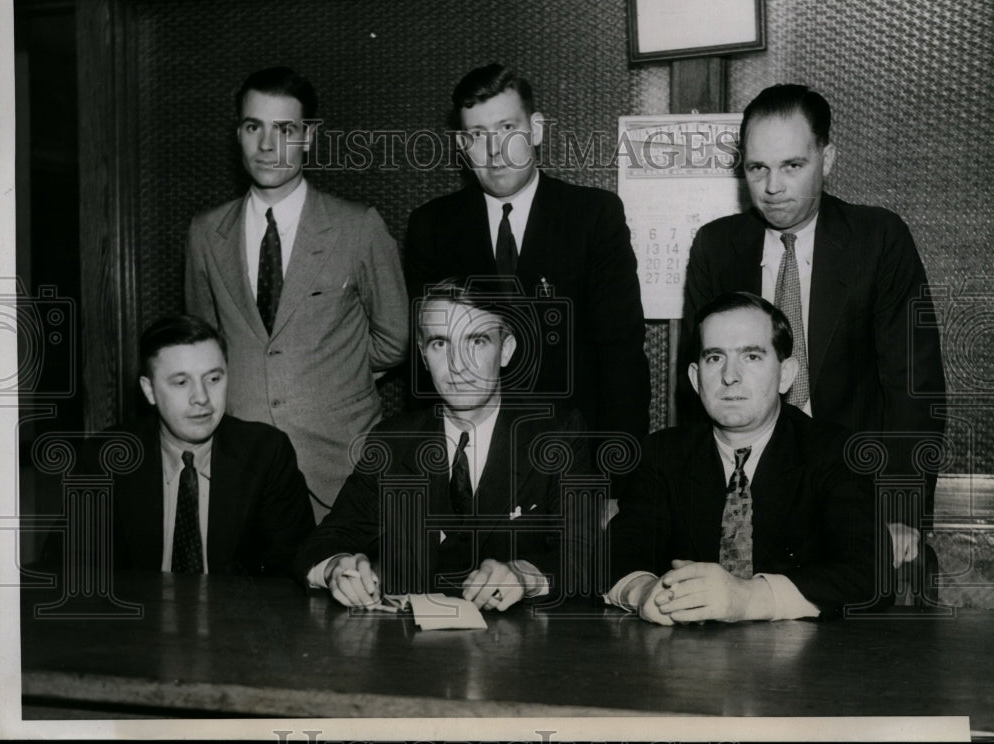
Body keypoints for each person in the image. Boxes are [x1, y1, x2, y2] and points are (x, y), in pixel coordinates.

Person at [679, 84, 945, 569]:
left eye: (792, 166)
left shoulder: (878, 239)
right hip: (746, 495)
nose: (772, 186)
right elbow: (696, 387)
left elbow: (914, 386)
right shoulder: (715, 247)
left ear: (828, 158)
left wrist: (904, 509)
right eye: (758, 168)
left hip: (857, 493)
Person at [404, 63, 648, 493]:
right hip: (471, 469)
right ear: (462, 144)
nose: (494, 150)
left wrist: (617, 483)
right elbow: (426, 369)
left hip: (573, 464)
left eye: (507, 128)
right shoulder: (431, 227)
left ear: (535, 129)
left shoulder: (593, 216)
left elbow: (622, 361)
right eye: (477, 135)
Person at [185, 66, 408, 515]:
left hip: (340, 469)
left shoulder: (358, 225)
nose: (267, 146)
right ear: (239, 134)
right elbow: (203, 347)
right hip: (242, 472)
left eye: (285, 129)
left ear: (308, 136)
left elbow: (394, 338)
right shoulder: (206, 233)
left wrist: (332, 370)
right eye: (254, 127)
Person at [293, 279, 592, 611]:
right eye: (440, 343)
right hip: (411, 652)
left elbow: (585, 554)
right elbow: (326, 540)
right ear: (423, 354)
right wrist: (338, 567)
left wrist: (525, 575)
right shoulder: (394, 442)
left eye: (477, 341)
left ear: (505, 350)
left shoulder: (556, 434)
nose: (457, 363)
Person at [608, 292, 882, 624]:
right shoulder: (663, 454)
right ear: (695, 378)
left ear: (786, 374)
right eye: (714, 358)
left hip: (806, 665)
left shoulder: (834, 451)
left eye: (751, 356)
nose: (729, 376)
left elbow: (871, 574)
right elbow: (617, 554)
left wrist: (748, 598)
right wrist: (645, 591)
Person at [72, 315, 315, 576]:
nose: (201, 397)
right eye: (181, 382)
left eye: (213, 379)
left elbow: (294, 566)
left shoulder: (267, 452)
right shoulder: (103, 457)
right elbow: (74, 570)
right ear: (149, 390)